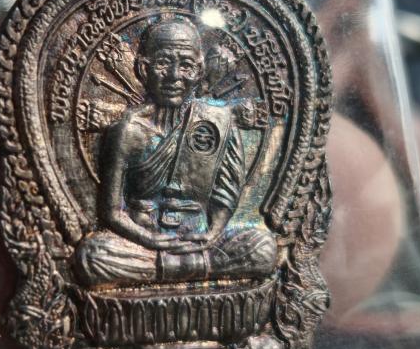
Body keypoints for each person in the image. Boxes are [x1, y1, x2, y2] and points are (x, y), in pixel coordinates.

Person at [76, 17, 277, 287]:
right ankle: (191, 268)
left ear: (199, 70)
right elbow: (112, 212)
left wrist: (213, 233)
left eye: (186, 65)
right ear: (143, 69)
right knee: (93, 256)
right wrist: (150, 240)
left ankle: (174, 268)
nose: (174, 76)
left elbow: (226, 194)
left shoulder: (218, 121)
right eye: (163, 63)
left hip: (201, 240)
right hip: (144, 243)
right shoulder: (128, 131)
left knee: (264, 248)